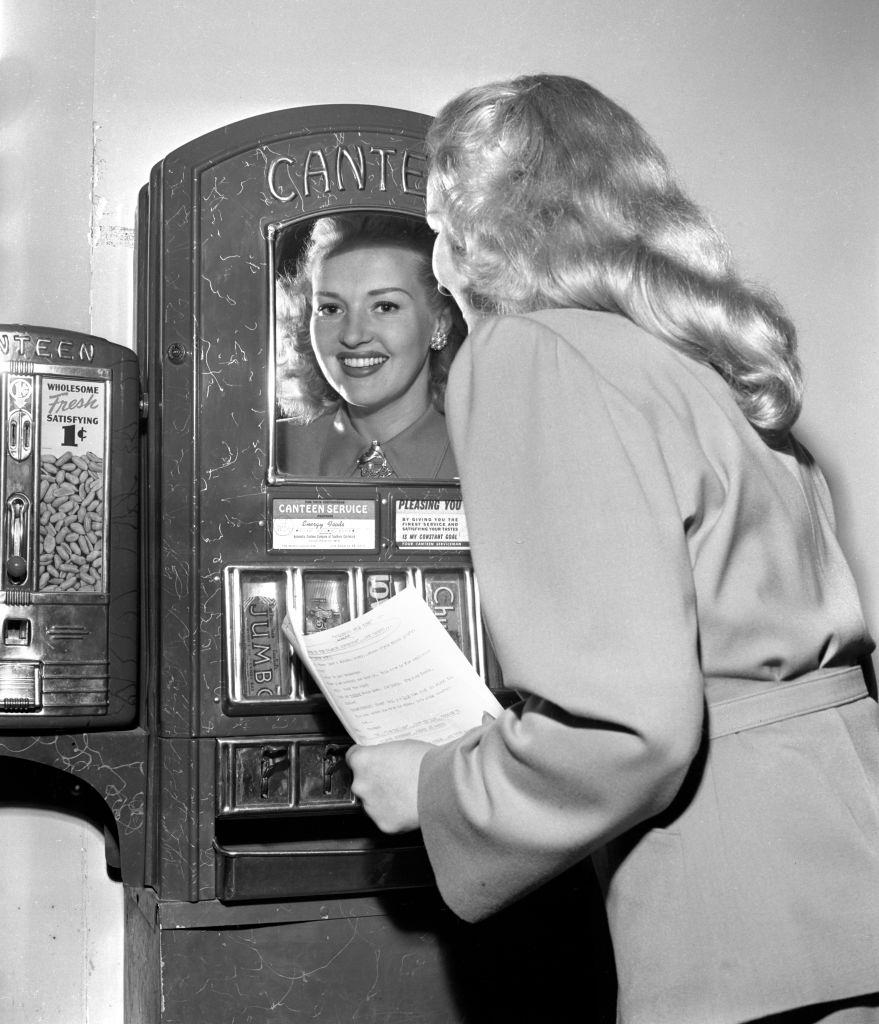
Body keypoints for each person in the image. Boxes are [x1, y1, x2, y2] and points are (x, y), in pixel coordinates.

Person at [345, 74, 879, 1024]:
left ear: (489, 224)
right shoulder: (701, 357)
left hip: (736, 914)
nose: (435, 260)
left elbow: (624, 727)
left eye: (439, 225)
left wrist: (431, 789)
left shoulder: (536, 353)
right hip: (840, 874)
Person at [275, 213, 463, 479]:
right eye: (331, 308)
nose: (353, 335)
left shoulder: (484, 457)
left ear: (439, 323)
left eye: (385, 307)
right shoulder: (268, 453)